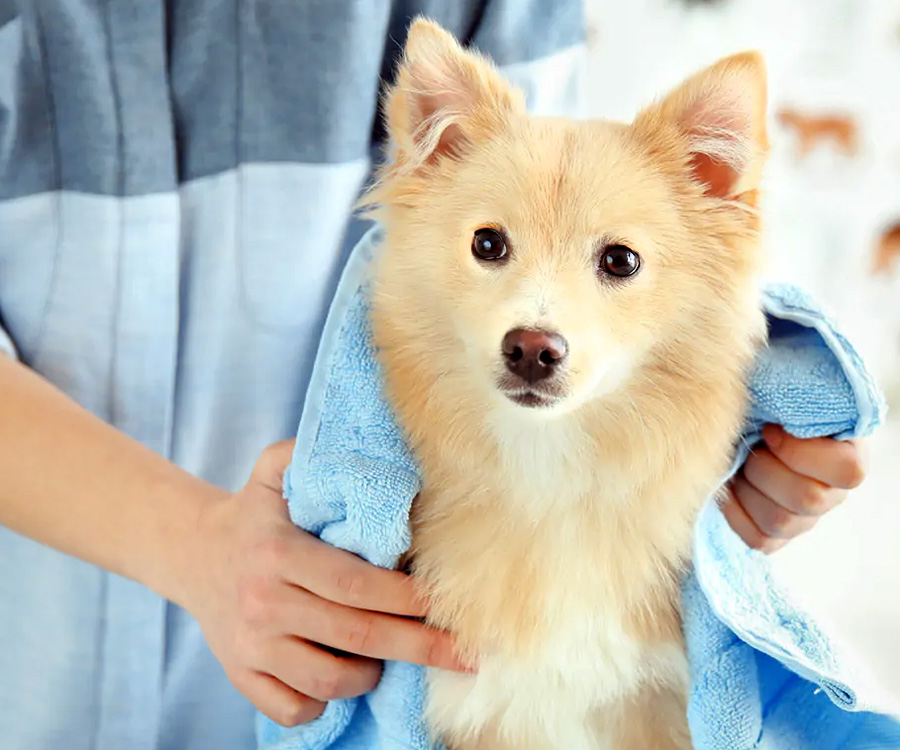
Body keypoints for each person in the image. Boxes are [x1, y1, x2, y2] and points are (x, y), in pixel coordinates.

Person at [0, 2, 867, 749]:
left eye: (617, 261)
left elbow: (562, 165)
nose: (539, 327)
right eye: (492, 246)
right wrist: (194, 545)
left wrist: (723, 475)